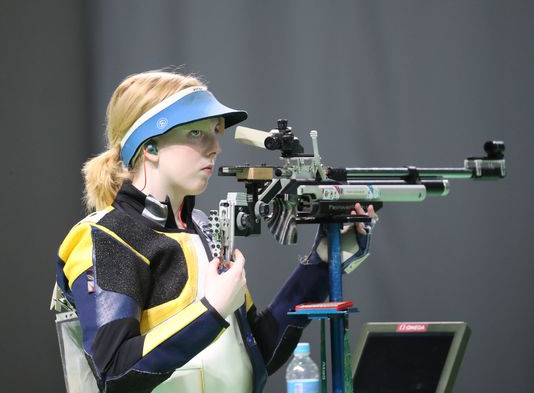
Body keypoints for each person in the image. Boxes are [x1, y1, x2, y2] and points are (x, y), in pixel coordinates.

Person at [54, 69, 376, 393]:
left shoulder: (205, 229)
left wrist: (322, 263)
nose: (214, 147)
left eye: (214, 132)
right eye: (196, 133)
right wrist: (211, 311)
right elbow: (115, 373)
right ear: (149, 147)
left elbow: (256, 354)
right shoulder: (107, 235)